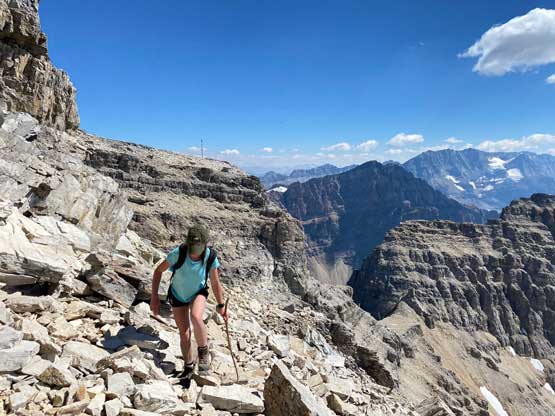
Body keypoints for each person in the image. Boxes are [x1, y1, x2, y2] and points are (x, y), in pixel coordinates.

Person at [150, 224, 227, 379]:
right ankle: (188, 367)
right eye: (193, 249)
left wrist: (221, 305)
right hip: (177, 295)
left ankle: (203, 352)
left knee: (196, 317)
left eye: (198, 250)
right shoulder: (178, 253)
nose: (194, 254)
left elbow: (215, 282)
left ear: (205, 246)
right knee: (184, 334)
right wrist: (154, 298)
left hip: (198, 292)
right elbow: (158, 271)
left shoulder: (210, 257)